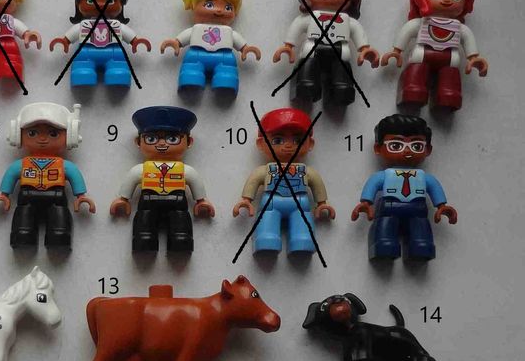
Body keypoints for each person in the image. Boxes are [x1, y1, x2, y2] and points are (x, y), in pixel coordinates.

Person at [273, 0, 379, 106]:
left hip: (340, 50)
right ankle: (305, 85)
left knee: (342, 68)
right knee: (308, 64)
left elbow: (357, 32)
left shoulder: (348, 21)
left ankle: (341, 89)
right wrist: (288, 46)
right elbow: (297, 27)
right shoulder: (308, 18)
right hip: (313, 47)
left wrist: (364, 49)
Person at [381, 0, 488, 110]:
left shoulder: (459, 28)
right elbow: (407, 31)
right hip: (422, 54)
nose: (447, 0)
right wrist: (396, 51)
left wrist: (473, 57)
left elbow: (467, 39)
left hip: (450, 58)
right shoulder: (421, 23)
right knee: (416, 73)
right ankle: (412, 92)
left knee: (450, 77)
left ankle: (448, 96)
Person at [351, 114, 457, 261]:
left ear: (427, 150)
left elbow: (434, 187)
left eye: (416, 146)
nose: (407, 151)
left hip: (417, 209)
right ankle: (383, 246)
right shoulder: (384, 175)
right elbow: (373, 184)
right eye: (396, 145)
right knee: (385, 228)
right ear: (378, 148)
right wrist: (366, 202)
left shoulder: (423, 177)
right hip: (389, 207)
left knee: (421, 231)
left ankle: (421, 247)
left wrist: (442, 206)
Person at [110, 106, 214, 253]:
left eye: (173, 139)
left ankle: (180, 242)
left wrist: (201, 200)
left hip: (178, 205)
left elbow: (195, 181)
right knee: (144, 231)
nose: (162, 144)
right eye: (151, 139)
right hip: (148, 204)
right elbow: (131, 179)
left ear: (189, 142)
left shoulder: (185, 170)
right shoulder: (141, 169)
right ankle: (144, 241)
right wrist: (123, 199)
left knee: (181, 233)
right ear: (138, 142)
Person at [0, 102, 94, 249]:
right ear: (17, 135)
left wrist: (81, 196)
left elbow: (74, 175)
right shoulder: (22, 164)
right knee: (22, 229)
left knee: (59, 231)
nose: (43, 139)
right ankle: (22, 237)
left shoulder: (63, 165)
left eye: (53, 134)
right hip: (27, 199)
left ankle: (59, 238)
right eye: (32, 133)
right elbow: (11, 175)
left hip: (56, 199)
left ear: (70, 136)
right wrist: (4, 195)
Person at [234, 107, 334, 255]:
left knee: (303, 232)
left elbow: (316, 183)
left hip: (300, 204)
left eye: (298, 140)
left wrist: (322, 203)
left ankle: (303, 241)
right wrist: (246, 200)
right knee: (266, 228)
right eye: (277, 140)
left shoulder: (306, 171)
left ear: (310, 144)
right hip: (271, 203)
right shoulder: (266, 170)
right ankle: (266, 240)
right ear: (261, 144)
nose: (288, 146)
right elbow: (254, 180)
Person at [50, 0, 151, 87]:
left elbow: (126, 33)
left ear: (122, 3)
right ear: (78, 3)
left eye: (110, 1)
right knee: (82, 70)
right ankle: (83, 74)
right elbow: (74, 32)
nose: (101, 4)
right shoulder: (84, 25)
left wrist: (135, 41)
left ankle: (117, 75)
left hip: (114, 52)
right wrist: (65, 41)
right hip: (86, 52)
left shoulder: (116, 25)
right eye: (90, 0)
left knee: (118, 71)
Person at [161, 0, 260, 94]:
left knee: (227, 74)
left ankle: (226, 85)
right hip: (196, 55)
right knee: (191, 71)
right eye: (209, 5)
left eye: (228, 7)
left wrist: (245, 49)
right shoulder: (196, 29)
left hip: (224, 57)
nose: (219, 10)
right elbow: (186, 36)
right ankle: (190, 82)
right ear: (194, 6)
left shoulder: (228, 32)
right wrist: (176, 43)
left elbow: (237, 40)